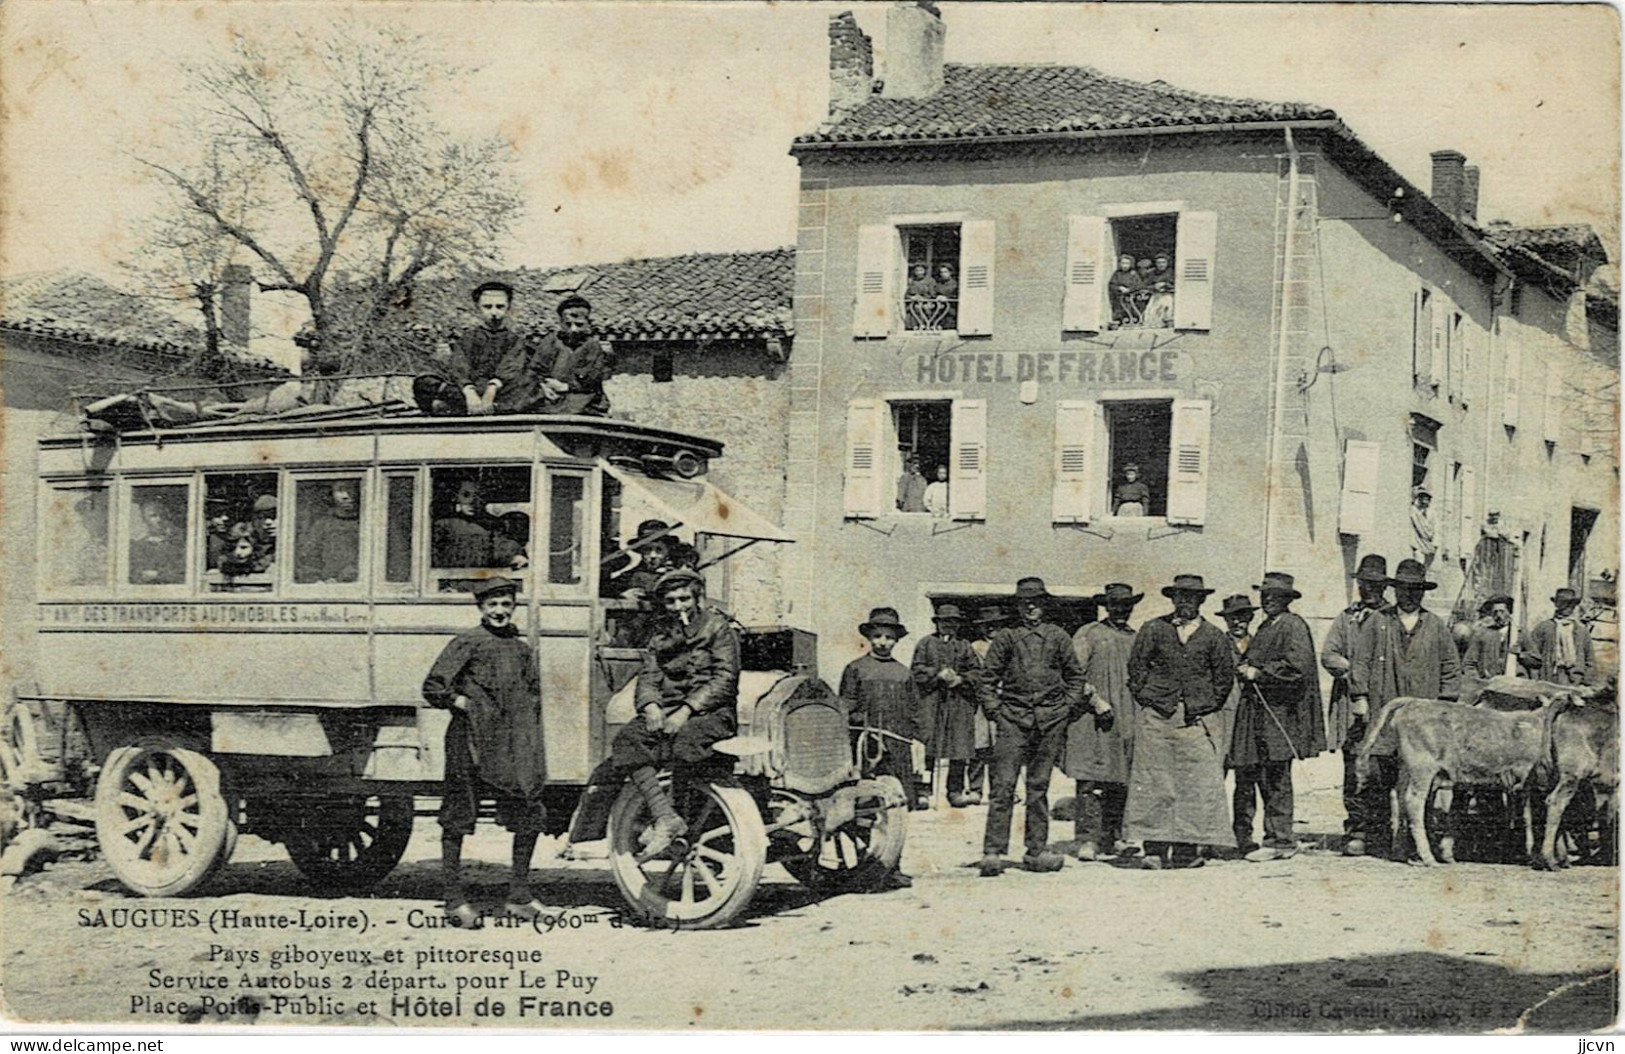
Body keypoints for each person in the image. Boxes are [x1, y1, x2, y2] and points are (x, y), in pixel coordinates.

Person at [421, 577, 548, 927]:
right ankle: (453, 900)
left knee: (528, 807)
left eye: (506, 604)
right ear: (481, 608)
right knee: (459, 814)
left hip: (511, 741)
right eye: (492, 605)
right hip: (469, 739)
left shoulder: (522, 649)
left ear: (513, 607)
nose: (499, 611)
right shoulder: (468, 642)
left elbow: (532, 696)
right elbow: (433, 686)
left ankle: (519, 896)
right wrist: (460, 702)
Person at [976, 577, 1107, 877]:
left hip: (1049, 720)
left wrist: (1066, 708)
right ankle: (993, 851)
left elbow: (1075, 677)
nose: (1031, 608)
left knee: (1038, 788)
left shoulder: (1058, 637)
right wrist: (996, 711)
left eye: (1036, 602)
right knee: (1003, 786)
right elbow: (986, 680)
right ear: (1018, 606)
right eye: (1025, 603)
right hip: (1013, 719)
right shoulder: (1007, 638)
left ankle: (1036, 851)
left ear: (1045, 606)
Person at [611, 568, 741, 857]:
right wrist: (651, 705)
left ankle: (683, 815)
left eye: (684, 598)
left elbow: (725, 678)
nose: (679, 606)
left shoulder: (718, 629)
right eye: (671, 601)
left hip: (712, 713)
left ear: (697, 598)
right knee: (627, 740)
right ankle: (665, 816)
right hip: (668, 711)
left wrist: (686, 710)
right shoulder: (660, 634)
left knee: (685, 742)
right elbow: (648, 675)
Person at [1348, 558, 1461, 858]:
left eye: (1415, 590)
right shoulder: (1378, 622)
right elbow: (1360, 661)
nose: (1409, 596)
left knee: (1421, 780)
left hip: (1424, 721)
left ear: (1422, 593)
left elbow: (1451, 668)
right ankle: (1377, 837)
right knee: (1380, 775)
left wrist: (1445, 706)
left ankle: (1412, 840)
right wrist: (1359, 697)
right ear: (1395, 591)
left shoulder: (1435, 626)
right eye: (1403, 590)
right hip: (1385, 713)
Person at [1123, 574, 1236, 870]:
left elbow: (1223, 679)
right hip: (1157, 716)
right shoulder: (1153, 629)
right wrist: (1150, 699)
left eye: (1191, 597)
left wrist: (1203, 705)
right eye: (1180, 596)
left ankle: (1187, 850)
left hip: (1195, 718)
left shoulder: (1214, 636)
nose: (1185, 602)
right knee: (1153, 781)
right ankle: (1154, 850)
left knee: (1195, 783)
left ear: (1201, 601)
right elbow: (1136, 669)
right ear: (1172, 599)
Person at [1230, 573, 1324, 862]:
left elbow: (1298, 667)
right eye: (1265, 596)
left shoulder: (1293, 626)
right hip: (1259, 714)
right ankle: (1258, 837)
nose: (1268, 600)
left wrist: (1259, 673)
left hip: (1281, 714)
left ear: (1286, 600)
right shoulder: (1267, 626)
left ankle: (1281, 841)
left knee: (1277, 777)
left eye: (1274, 596)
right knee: (1256, 773)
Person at [1065, 583, 1142, 862]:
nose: (1121, 611)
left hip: (1127, 716)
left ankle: (1116, 836)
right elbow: (1072, 673)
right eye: (1116, 605)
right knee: (1091, 778)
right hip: (1094, 716)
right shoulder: (1088, 634)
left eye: (1126, 605)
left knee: (1121, 778)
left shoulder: (1136, 638)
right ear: (1106, 606)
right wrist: (1095, 701)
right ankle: (1088, 839)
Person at [1320, 554, 1390, 855]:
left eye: (1375, 584)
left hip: (1385, 703)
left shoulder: (1391, 617)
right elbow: (1329, 654)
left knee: (1383, 769)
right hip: (1352, 704)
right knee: (1353, 769)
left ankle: (1383, 831)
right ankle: (1356, 830)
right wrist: (1356, 672)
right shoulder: (1347, 618)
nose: (1368, 589)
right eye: (1364, 583)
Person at [841, 608, 921, 820]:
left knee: (897, 791)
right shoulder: (856, 668)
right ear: (869, 638)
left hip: (897, 737)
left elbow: (915, 709)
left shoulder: (904, 673)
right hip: (866, 736)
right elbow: (847, 701)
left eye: (889, 638)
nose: (883, 642)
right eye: (877, 636)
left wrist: (918, 738)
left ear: (896, 641)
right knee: (866, 787)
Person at [911, 604, 982, 809]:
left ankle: (955, 791)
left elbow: (977, 673)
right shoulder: (925, 643)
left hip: (959, 704)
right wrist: (937, 674)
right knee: (928, 748)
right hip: (931, 703)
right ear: (937, 623)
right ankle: (923, 791)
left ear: (958, 625)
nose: (949, 625)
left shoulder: (965, 646)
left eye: (953, 622)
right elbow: (916, 670)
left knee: (959, 749)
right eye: (944, 621)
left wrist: (960, 679)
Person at [442, 280, 536, 416]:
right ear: (477, 307)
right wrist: (469, 391)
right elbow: (459, 366)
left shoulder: (514, 340)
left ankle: (482, 408)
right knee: (425, 381)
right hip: (470, 390)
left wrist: (493, 388)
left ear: (508, 308)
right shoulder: (467, 338)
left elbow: (512, 367)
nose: (494, 312)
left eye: (500, 307)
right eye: (487, 307)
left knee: (531, 383)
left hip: (501, 391)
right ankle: (485, 408)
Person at [533, 295, 611, 416]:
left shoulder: (592, 346)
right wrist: (543, 386)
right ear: (560, 323)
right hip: (551, 396)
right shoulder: (550, 341)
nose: (573, 329)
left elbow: (591, 381)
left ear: (587, 323)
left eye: (579, 324)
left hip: (583, 398)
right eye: (568, 324)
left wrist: (565, 387)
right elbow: (535, 370)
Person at [1215, 593, 1259, 764]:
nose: (1236, 622)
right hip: (1224, 714)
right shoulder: (1218, 645)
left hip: (1251, 715)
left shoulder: (1259, 644)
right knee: (1220, 762)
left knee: (1248, 767)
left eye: (1241, 617)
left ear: (1250, 618)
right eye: (1231, 618)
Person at [1521, 587, 1596, 686]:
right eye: (1563, 604)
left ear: (1574, 606)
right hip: (1549, 678)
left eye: (1570, 605)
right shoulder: (1544, 627)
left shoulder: (1582, 631)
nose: (1567, 608)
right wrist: (1535, 680)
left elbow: (1590, 660)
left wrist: (1585, 682)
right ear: (1557, 605)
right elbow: (1533, 655)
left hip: (1575, 680)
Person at [295, 480, 361, 584]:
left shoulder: (365, 524)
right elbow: (309, 556)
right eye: (340, 490)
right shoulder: (322, 525)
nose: (346, 496)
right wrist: (315, 580)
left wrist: (343, 578)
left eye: (351, 490)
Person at [433, 480, 495, 568]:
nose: (472, 501)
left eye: (478, 496)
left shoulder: (492, 525)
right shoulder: (444, 525)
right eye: (466, 495)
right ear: (456, 497)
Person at [129, 495, 186, 585]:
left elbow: (184, 574)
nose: (159, 520)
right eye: (153, 516)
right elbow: (132, 574)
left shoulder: (178, 543)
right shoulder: (137, 545)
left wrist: (159, 575)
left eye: (162, 515)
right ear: (144, 519)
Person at [1463, 595, 1516, 679]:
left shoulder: (1518, 634)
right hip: (1489, 684)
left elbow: (1536, 662)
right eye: (1495, 612)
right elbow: (1469, 663)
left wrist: (1521, 655)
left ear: (1509, 612)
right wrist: (1478, 681)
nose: (1498, 615)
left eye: (1502, 611)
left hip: (1513, 685)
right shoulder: (1482, 634)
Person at [1143, 252, 1176, 328]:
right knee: (1152, 311)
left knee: (1166, 306)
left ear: (1167, 263)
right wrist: (1154, 286)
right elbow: (1145, 285)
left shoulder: (1171, 272)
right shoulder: (1152, 273)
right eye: (1159, 263)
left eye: (1163, 262)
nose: (1161, 265)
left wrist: (1165, 284)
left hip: (1169, 295)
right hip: (1156, 296)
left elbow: (1177, 284)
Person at [1108, 253, 1141, 326]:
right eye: (1123, 263)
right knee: (1119, 310)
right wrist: (1119, 288)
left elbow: (1138, 285)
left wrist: (1129, 289)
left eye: (1127, 263)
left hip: (1132, 297)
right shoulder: (1117, 274)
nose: (1125, 265)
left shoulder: (1134, 274)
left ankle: (1133, 321)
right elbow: (1112, 285)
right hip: (1119, 297)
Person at [249, 494, 279, 574]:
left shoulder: (294, 548)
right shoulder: (250, 543)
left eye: (274, 517)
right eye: (261, 517)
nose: (268, 522)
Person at [1410, 487, 1437, 570]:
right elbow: (1418, 526)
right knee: (1419, 564)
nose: (1426, 500)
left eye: (1427, 498)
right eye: (1423, 497)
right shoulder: (1414, 511)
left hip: (1429, 545)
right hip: (1418, 544)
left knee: (1426, 567)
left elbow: (1434, 528)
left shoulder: (1431, 513)